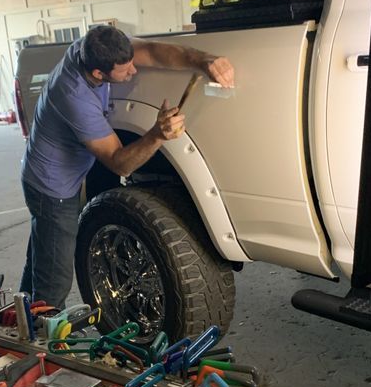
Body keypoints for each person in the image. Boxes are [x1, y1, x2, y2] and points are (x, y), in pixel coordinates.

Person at [19, 25, 234, 309]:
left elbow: (152, 53)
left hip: (50, 172)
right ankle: (39, 329)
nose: (134, 70)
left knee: (43, 255)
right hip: (51, 188)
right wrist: (157, 134)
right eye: (125, 69)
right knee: (54, 279)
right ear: (99, 74)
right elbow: (119, 163)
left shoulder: (94, 47)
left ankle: (17, 316)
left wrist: (203, 60)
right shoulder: (74, 96)